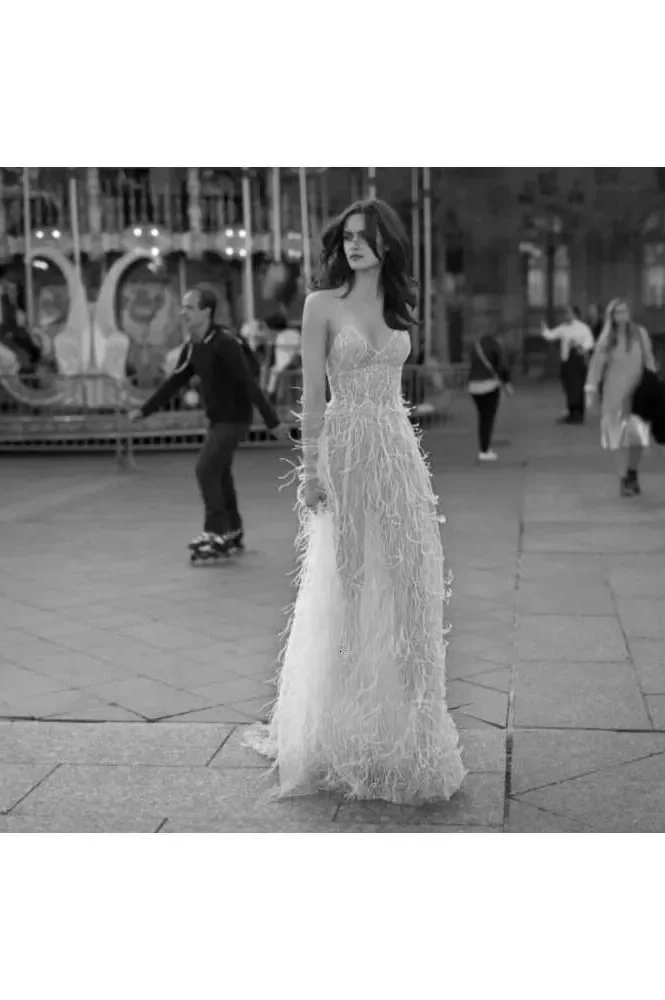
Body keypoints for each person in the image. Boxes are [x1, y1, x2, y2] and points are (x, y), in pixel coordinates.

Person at [243, 197, 466, 804]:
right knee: (351, 584)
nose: (353, 246)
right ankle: (341, 727)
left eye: (364, 237)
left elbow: (396, 389)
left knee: (411, 582)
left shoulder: (398, 306)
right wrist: (310, 471)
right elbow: (312, 393)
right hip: (345, 451)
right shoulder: (320, 304)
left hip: (397, 448)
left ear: (386, 243)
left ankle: (412, 728)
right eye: (346, 238)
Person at [129, 286, 292, 560]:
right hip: (218, 420)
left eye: (189, 307)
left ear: (206, 311)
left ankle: (216, 533)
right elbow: (175, 381)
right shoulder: (193, 345)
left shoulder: (225, 342)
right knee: (220, 474)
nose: (183, 312)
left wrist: (272, 422)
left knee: (205, 469)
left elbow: (249, 383)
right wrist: (145, 410)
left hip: (235, 420)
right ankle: (233, 531)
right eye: (183, 307)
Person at [584, 298, 657, 497]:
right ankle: (623, 479)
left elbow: (649, 360)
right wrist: (590, 391)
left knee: (638, 439)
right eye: (617, 312)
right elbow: (596, 366)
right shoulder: (607, 338)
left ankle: (633, 472)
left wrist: (655, 386)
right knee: (616, 438)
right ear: (611, 316)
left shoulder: (640, 334)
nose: (622, 316)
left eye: (624, 311)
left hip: (638, 394)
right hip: (614, 395)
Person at [541, 305, 595, 424]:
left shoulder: (583, 328)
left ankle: (578, 413)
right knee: (569, 388)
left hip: (578, 361)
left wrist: (581, 347)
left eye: (568, 313)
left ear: (574, 314)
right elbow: (550, 335)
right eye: (565, 313)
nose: (566, 315)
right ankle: (571, 412)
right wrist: (544, 329)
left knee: (577, 387)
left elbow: (590, 342)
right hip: (566, 362)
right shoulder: (563, 328)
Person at [466, 326, 512, 462]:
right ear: (499, 337)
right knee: (488, 419)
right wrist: (507, 383)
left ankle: (484, 448)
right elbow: (502, 366)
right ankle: (484, 450)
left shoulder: (477, 346)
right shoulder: (495, 346)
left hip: (473, 387)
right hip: (489, 387)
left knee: (482, 418)